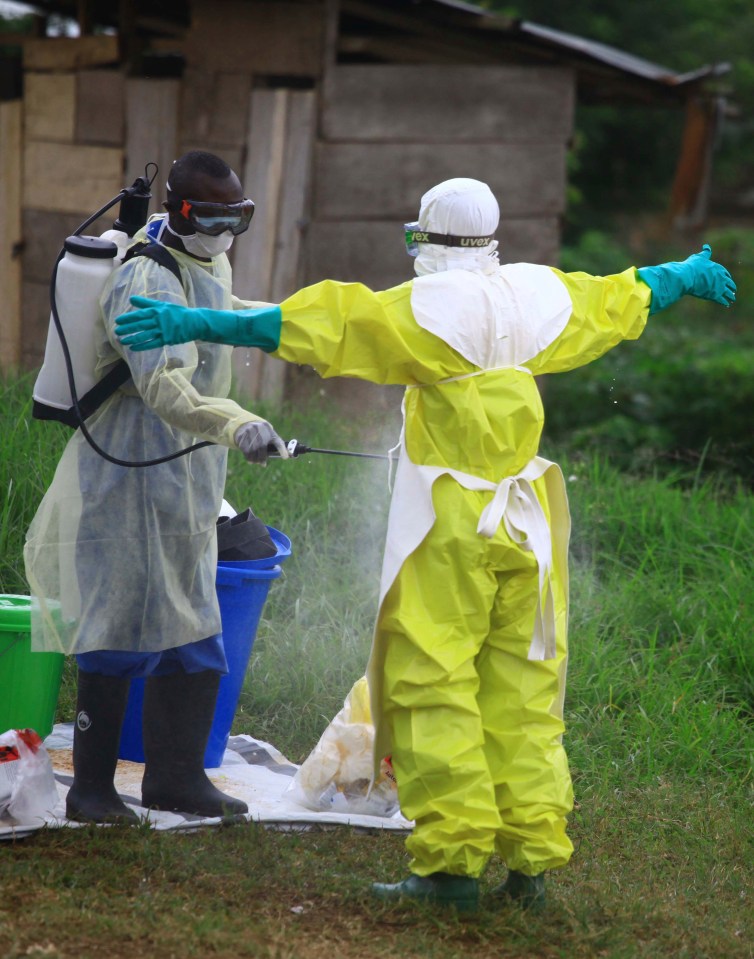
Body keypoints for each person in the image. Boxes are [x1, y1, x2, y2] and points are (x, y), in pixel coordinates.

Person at [114, 178, 736, 907]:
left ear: (425, 240)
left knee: (431, 685)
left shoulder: (425, 312)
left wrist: (195, 322)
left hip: (451, 534)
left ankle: (448, 869)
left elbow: (322, 325)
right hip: (529, 532)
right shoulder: (539, 295)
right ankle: (529, 868)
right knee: (523, 695)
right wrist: (682, 276)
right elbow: (618, 297)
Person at [25, 150, 288, 825]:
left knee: (193, 621)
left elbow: (223, 315)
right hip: (128, 474)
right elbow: (165, 386)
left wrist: (292, 329)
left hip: (189, 476)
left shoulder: (208, 258)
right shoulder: (145, 278)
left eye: (242, 218)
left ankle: (175, 778)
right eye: (219, 218)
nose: (230, 231)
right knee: (119, 626)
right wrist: (239, 424)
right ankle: (90, 790)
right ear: (184, 211)